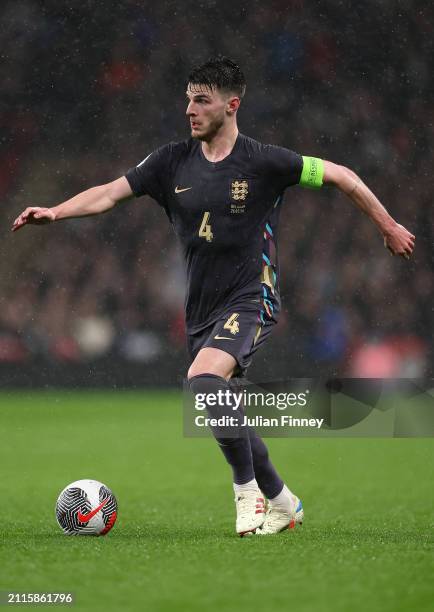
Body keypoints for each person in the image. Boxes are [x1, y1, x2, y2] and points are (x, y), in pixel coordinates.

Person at [12, 57, 415, 537]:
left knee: (202, 382)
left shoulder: (266, 162)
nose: (189, 109)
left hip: (252, 296)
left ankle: (248, 497)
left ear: (231, 104)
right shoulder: (169, 162)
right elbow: (108, 193)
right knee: (220, 402)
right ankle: (284, 500)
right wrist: (55, 213)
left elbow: (342, 175)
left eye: (201, 100)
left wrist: (387, 226)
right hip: (202, 309)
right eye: (187, 98)